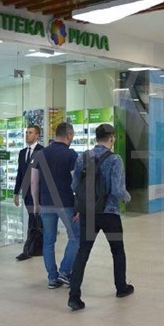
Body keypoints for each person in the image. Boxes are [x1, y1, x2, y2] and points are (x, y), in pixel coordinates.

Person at [67, 124, 133, 311]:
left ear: (96, 137)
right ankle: (121, 287)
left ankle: (74, 296)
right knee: (117, 251)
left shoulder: (82, 157)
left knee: (83, 252)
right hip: (109, 213)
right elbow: (118, 190)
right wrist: (128, 197)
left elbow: (74, 186)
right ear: (111, 138)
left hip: (88, 213)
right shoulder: (115, 159)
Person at [30, 122, 79, 289]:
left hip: (46, 203)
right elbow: (76, 182)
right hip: (66, 203)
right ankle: (64, 272)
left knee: (48, 240)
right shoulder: (71, 155)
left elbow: (34, 182)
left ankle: (52, 278)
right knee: (76, 237)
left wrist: (36, 203)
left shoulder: (40, 154)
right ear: (69, 135)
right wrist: (79, 204)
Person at [13, 125, 44, 261]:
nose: (27, 135)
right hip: (27, 193)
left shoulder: (42, 151)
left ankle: (29, 249)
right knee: (33, 219)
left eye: (30, 133)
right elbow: (20, 173)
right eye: (26, 133)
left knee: (35, 220)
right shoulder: (22, 153)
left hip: (39, 193)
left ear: (37, 135)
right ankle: (35, 248)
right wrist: (16, 192)